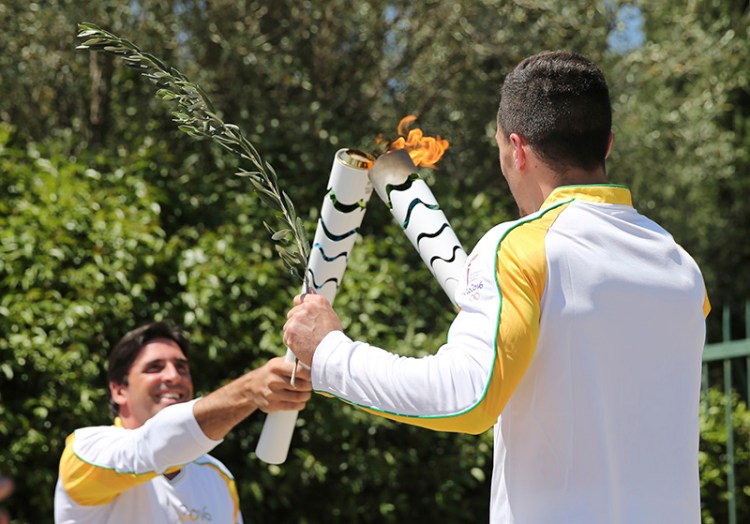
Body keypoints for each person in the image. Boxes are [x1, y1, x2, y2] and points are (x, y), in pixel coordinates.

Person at [283, 50, 710, 523]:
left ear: (517, 149)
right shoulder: (681, 266)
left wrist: (327, 352)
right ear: (606, 145)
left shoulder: (521, 247)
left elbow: (466, 398)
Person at [54, 320, 311, 524]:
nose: (173, 376)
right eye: (154, 367)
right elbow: (152, 445)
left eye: (181, 367)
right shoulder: (87, 450)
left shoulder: (217, 477)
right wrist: (248, 392)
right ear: (119, 390)